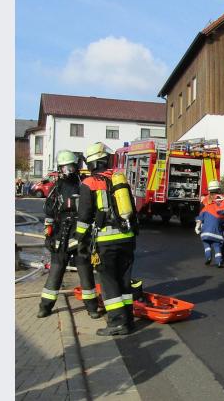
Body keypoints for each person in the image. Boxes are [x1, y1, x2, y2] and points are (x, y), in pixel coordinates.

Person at [75, 142, 139, 336]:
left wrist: (80, 241)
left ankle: (117, 323)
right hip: (128, 239)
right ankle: (128, 319)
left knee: (109, 281)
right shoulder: (120, 179)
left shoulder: (89, 184)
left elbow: (84, 218)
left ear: (92, 164)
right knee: (124, 280)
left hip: (106, 242)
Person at [37, 150, 101, 319]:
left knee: (84, 272)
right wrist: (48, 235)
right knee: (58, 271)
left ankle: (91, 308)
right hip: (66, 236)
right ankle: (45, 306)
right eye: (66, 167)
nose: (68, 170)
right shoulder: (59, 187)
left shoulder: (82, 185)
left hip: (77, 236)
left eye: (70, 166)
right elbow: (49, 214)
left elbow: (92, 211)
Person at [195, 181, 224, 267]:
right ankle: (220, 260)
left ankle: (208, 257)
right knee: (218, 244)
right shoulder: (222, 198)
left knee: (207, 243)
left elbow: (201, 213)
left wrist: (199, 225)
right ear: (219, 189)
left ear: (209, 190)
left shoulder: (205, 200)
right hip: (220, 223)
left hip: (206, 225)